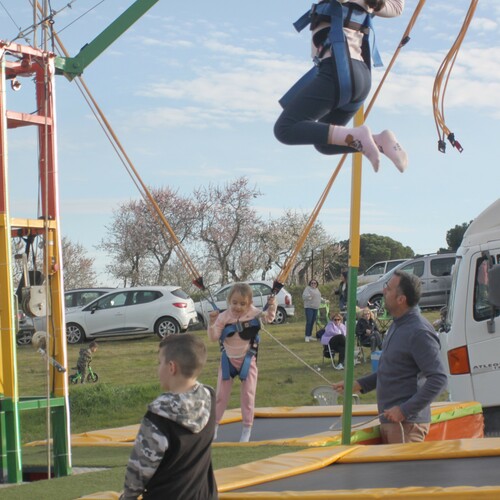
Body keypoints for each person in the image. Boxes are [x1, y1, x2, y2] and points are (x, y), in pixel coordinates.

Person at [274, 0, 407, 174]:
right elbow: (397, 6)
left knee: (285, 129)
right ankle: (379, 141)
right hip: (360, 78)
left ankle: (360, 135)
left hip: (339, 71)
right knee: (325, 144)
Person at [333, 271, 447, 444]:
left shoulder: (419, 331)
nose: (384, 291)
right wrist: (358, 385)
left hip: (406, 426)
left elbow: (438, 378)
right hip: (393, 423)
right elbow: (392, 370)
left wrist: (404, 410)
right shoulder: (398, 324)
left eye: (388, 287)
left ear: (401, 299)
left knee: (404, 472)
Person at [120, 334, 217, 500]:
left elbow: (140, 470)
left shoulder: (159, 415)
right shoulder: (209, 398)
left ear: (172, 367)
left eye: (160, 363)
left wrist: (128, 496)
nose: (158, 368)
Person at [208, 282, 277, 443]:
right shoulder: (224, 317)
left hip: (247, 359)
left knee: (248, 395)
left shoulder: (254, 313)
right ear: (229, 301)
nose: (238, 307)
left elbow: (269, 318)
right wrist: (212, 322)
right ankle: (215, 428)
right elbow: (213, 337)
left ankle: (246, 429)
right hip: (228, 361)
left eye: (242, 304)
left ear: (250, 303)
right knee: (220, 396)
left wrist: (272, 305)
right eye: (234, 303)